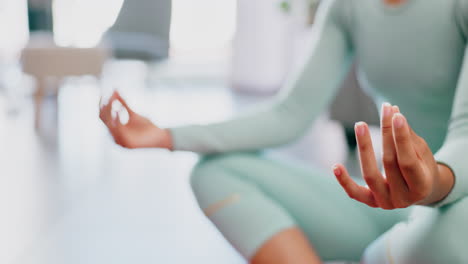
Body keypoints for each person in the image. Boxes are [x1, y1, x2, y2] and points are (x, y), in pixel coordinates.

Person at [99, 0, 468, 263]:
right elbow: (290, 114)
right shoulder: (347, 7)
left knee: (454, 235)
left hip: (454, 205)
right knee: (216, 172)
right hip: (391, 206)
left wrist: (433, 182)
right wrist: (166, 135)